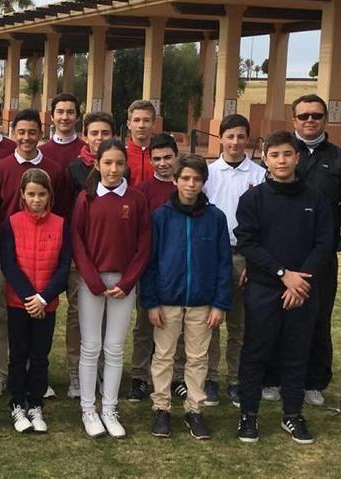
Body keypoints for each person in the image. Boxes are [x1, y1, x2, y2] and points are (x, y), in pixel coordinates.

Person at [234, 130, 333, 445]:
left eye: (287, 154)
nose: (281, 160)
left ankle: (293, 415)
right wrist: (281, 273)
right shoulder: (253, 198)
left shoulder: (315, 199)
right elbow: (248, 243)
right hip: (264, 289)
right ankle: (248, 416)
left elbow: (323, 243)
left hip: (303, 290)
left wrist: (298, 280)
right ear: (265, 158)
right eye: (274, 154)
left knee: (296, 355)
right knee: (255, 354)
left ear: (297, 157)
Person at [140, 154, 232, 440]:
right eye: (186, 179)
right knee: (164, 356)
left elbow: (223, 263)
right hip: (167, 300)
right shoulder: (161, 217)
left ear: (204, 182)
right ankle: (161, 408)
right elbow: (150, 262)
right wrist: (151, 302)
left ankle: (194, 409)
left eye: (197, 179)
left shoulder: (215, 218)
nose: (191, 184)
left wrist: (219, 303)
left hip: (202, 303)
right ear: (176, 180)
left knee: (197, 357)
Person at [283, 94, 341, 407]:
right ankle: (275, 376)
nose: (309, 121)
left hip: (321, 253)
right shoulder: (283, 151)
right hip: (283, 250)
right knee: (278, 315)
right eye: (303, 116)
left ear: (325, 119)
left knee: (317, 316)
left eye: (316, 115)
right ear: (294, 120)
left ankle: (314, 380)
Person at [0, 109, 69, 398]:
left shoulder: (54, 170)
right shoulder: (1, 168)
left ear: (40, 132)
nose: (26, 137)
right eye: (21, 131)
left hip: (43, 253)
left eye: (32, 132)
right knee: (0, 316)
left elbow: (59, 210)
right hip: (7, 254)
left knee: (38, 313)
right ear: (13, 133)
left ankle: (37, 377)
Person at [72, 139, 151, 438]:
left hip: (123, 284)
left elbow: (144, 244)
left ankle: (109, 409)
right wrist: (91, 279)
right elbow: (77, 240)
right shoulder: (85, 198)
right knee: (91, 347)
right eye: (108, 163)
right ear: (97, 164)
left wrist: (128, 281)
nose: (113, 169)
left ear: (126, 165)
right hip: (92, 282)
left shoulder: (136, 198)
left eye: (119, 163)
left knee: (115, 348)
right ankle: (88, 410)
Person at [201, 114, 266, 407]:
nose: (235, 142)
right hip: (214, 255)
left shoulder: (260, 175)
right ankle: (210, 378)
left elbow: (266, 222)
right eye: (230, 136)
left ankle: (237, 379)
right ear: (221, 138)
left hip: (245, 255)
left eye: (241, 136)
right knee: (211, 320)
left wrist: (254, 262)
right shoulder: (207, 173)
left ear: (247, 139)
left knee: (239, 325)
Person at [1, 168, 72, 434]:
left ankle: (35, 403)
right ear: (22, 195)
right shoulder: (11, 223)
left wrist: (44, 298)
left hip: (47, 304)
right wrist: (30, 298)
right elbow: (9, 264)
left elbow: (64, 266)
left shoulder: (61, 224)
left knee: (40, 356)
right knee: (18, 355)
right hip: (19, 303)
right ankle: (17, 403)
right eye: (31, 194)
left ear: (49, 195)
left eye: (42, 194)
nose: (36, 199)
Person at [64, 111, 116, 399]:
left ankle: (101, 369)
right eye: (94, 133)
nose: (99, 138)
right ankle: (76, 371)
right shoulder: (73, 169)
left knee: (106, 317)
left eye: (104, 133)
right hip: (80, 255)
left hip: (109, 256)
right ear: (85, 135)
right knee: (77, 315)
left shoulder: (121, 169)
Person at [128, 133, 183, 402]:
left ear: (176, 157)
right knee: (145, 323)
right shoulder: (143, 192)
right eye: (157, 159)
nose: (162, 163)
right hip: (151, 266)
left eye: (167, 158)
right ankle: (139, 376)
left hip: (181, 267)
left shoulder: (186, 187)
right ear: (150, 161)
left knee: (179, 323)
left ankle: (177, 377)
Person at [39, 93, 87, 169]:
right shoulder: (40, 153)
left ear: (77, 117)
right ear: (52, 116)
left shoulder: (86, 151)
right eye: (60, 112)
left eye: (70, 112)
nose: (65, 117)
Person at [125, 100, 156, 186]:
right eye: (136, 120)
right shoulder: (121, 155)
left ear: (153, 124)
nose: (141, 125)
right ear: (129, 124)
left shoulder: (163, 157)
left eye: (146, 120)